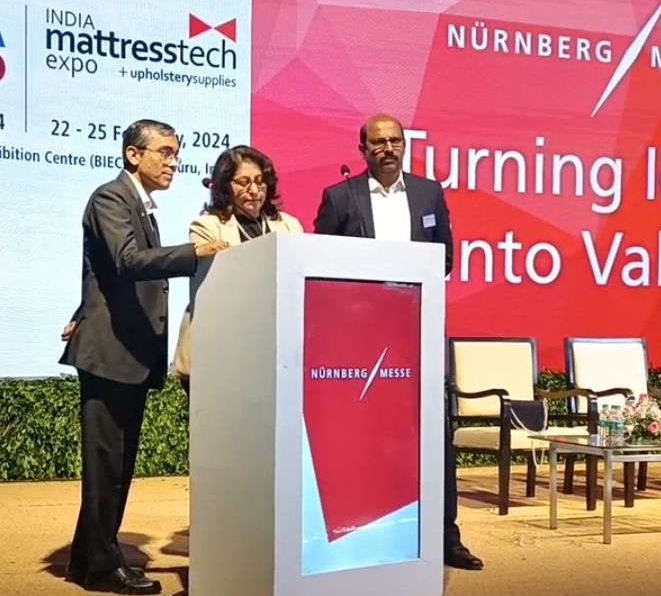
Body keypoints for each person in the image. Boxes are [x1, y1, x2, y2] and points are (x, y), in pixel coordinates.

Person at [59, 119, 228, 594]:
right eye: (165, 152)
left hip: (125, 354)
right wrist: (194, 252)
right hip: (109, 353)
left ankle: (87, 560)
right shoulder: (111, 198)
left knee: (115, 466)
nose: (174, 162)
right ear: (134, 155)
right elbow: (126, 261)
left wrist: (82, 309)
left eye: (176, 153)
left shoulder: (140, 205)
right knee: (107, 468)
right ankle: (102, 568)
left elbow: (101, 276)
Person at [314, 113, 483, 571]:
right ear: (362, 150)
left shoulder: (429, 193)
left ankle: (445, 536)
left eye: (395, 141)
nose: (387, 149)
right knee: (362, 435)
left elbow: (445, 257)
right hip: (359, 339)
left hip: (415, 330)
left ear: (404, 145)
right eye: (378, 142)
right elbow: (320, 261)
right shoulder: (340, 197)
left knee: (432, 434)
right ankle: (365, 535)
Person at [171, 145, 304, 391]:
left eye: (260, 182)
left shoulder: (288, 225)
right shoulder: (207, 226)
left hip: (273, 346)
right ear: (225, 186)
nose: (254, 190)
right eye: (243, 182)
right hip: (220, 345)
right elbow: (217, 283)